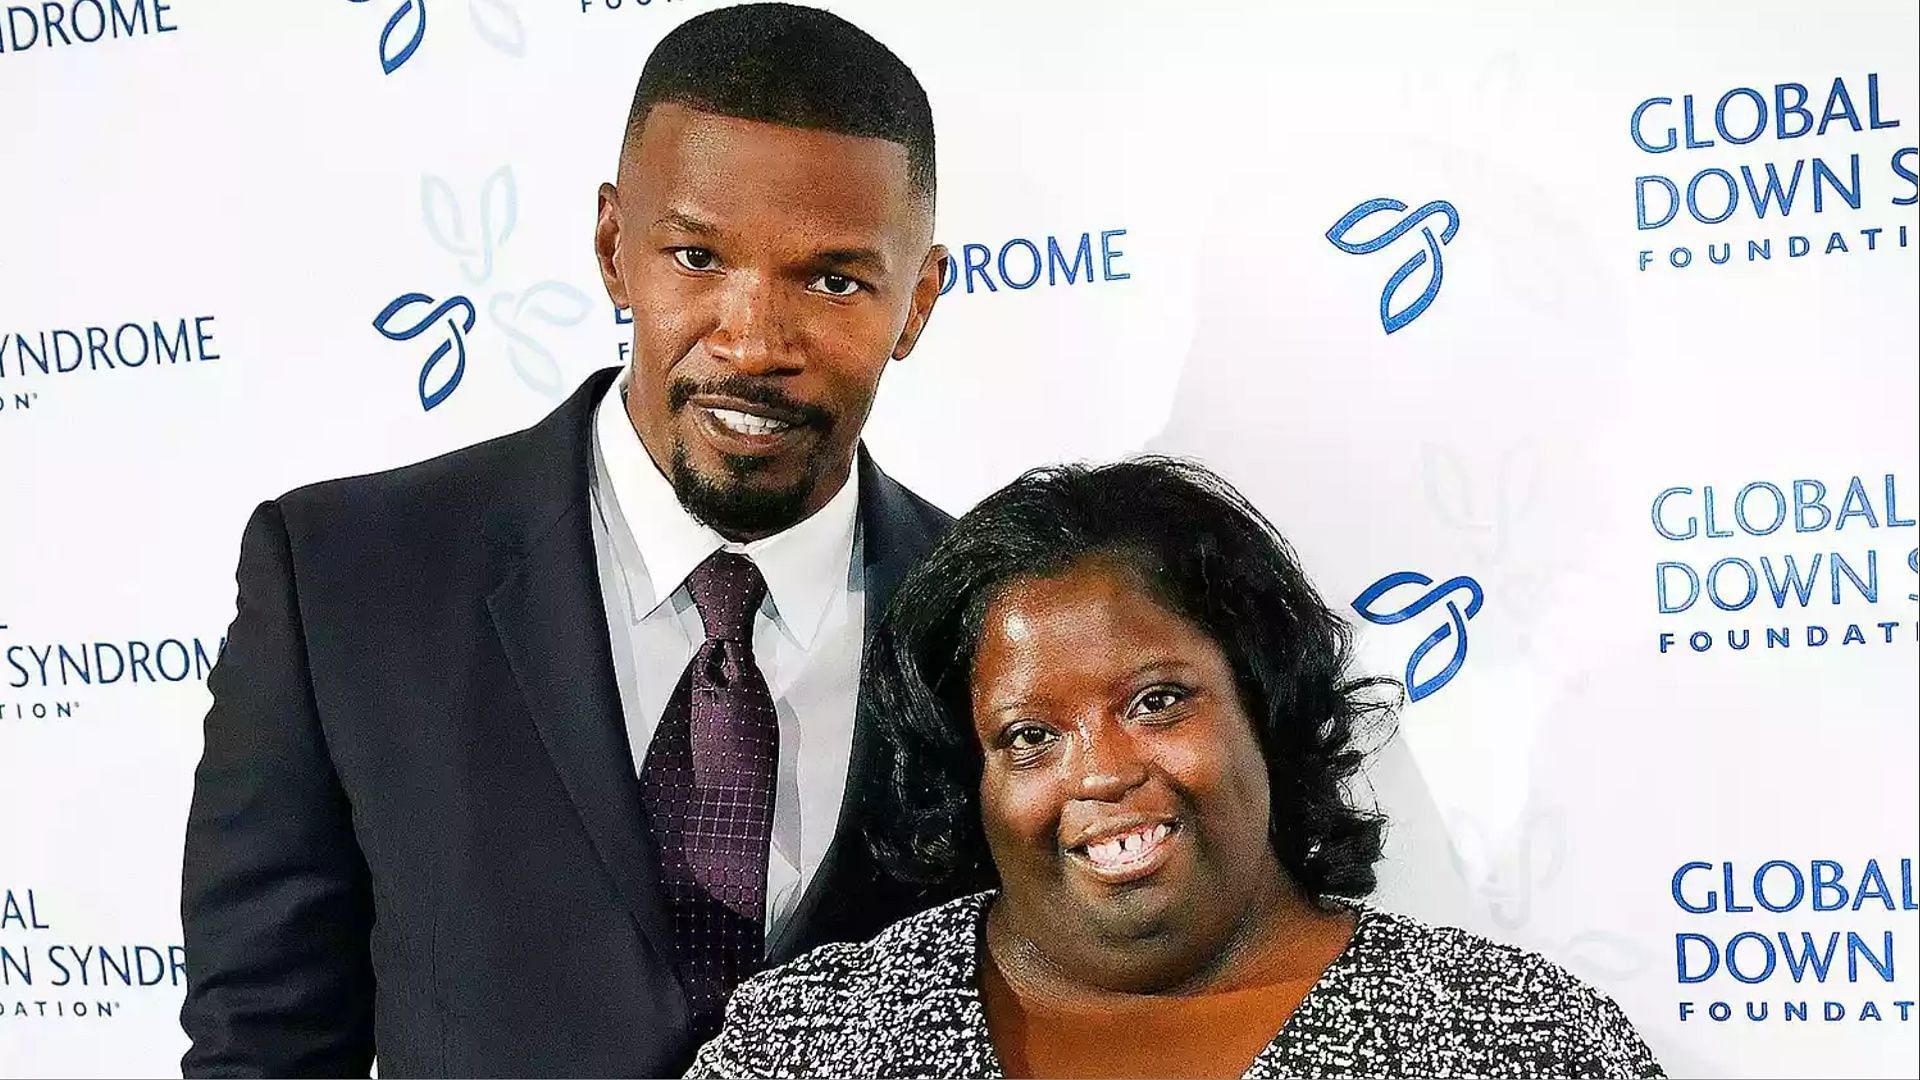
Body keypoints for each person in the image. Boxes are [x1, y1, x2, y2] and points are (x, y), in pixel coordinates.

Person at [178, 5, 955, 1076]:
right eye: (696, 255)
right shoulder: (343, 580)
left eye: (833, 281)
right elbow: (263, 1045)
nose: (753, 340)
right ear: (611, 248)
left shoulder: (988, 621)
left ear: (915, 302)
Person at [689, 458, 1665, 1079]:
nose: (1102, 773)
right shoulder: (812, 1043)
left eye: (1156, 702)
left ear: (1265, 702)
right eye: (1031, 736)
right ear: (970, 778)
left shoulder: (1513, 1043)